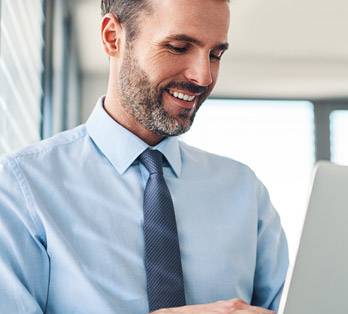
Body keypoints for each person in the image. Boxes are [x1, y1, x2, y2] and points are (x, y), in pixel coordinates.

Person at [0, 0, 288, 313]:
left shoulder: (244, 191)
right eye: (178, 47)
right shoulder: (22, 187)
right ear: (113, 37)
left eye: (215, 55)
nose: (203, 76)